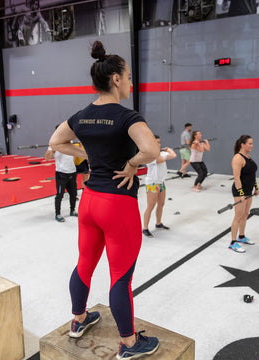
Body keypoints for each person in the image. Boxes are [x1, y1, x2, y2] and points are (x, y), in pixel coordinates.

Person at [48, 40, 160, 359]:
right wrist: (131, 164)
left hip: (89, 201)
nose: (130, 83)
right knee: (120, 276)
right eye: (128, 77)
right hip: (117, 204)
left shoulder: (81, 115)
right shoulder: (126, 116)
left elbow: (55, 142)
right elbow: (151, 150)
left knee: (84, 264)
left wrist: (84, 151)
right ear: (115, 79)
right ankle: (128, 343)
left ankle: (79, 320)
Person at [229, 135, 259, 253]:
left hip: (249, 190)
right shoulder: (237, 158)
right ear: (243, 144)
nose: (252, 145)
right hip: (239, 191)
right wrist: (241, 194)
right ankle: (233, 243)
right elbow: (236, 178)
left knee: (245, 214)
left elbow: (252, 175)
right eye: (250, 143)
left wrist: (256, 188)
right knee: (238, 216)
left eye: (252, 143)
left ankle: (241, 237)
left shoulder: (248, 156)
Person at [143, 135, 177, 237]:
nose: (159, 144)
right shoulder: (150, 155)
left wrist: (168, 149)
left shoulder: (161, 153)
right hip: (153, 183)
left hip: (161, 182)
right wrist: (158, 151)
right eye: (156, 142)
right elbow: (161, 159)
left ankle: (158, 223)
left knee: (161, 203)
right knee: (151, 206)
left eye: (159, 142)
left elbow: (173, 155)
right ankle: (145, 228)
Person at [45, 130, 78, 222]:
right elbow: (47, 157)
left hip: (72, 172)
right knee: (60, 195)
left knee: (73, 194)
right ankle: (58, 214)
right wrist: (53, 149)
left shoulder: (70, 142)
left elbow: (74, 155)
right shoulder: (53, 144)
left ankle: (72, 210)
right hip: (61, 173)